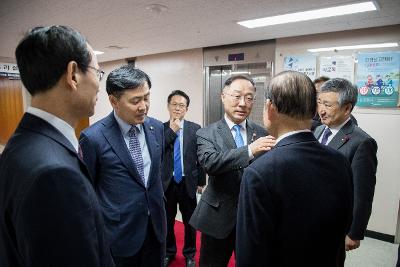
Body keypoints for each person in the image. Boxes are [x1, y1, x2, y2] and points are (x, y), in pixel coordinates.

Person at [0, 26, 114, 266]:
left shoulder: (21, 144)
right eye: (97, 72)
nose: (98, 85)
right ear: (73, 74)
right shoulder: (54, 174)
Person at [236, 70, 353, 267]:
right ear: (314, 110)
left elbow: (251, 253)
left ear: (270, 108)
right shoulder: (339, 160)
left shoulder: (259, 172)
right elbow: (344, 222)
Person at [79, 65, 166, 267]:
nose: (143, 106)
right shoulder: (93, 138)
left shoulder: (156, 128)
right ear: (113, 101)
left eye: (146, 97)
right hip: (119, 234)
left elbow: (154, 176)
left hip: (156, 229)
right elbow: (87, 191)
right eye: (135, 101)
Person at [189, 75, 275, 267]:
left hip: (254, 217)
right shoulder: (207, 133)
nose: (243, 103)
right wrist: (250, 150)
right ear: (223, 96)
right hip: (218, 216)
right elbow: (210, 163)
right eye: (237, 96)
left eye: (249, 98)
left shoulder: (262, 133)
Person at [314, 78, 377, 253]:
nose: (321, 111)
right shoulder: (318, 130)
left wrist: (355, 232)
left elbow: (363, 193)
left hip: (335, 222)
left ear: (347, 108)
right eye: (319, 103)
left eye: (328, 105)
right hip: (311, 216)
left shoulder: (362, 142)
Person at [163, 90, 206, 267]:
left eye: (182, 105)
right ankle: (168, 252)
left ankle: (189, 254)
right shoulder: (160, 129)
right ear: (168, 106)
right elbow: (158, 152)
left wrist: (201, 182)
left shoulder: (195, 129)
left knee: (190, 222)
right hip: (167, 183)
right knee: (167, 221)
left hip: (188, 182)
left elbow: (201, 157)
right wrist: (172, 131)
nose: (178, 108)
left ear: (186, 109)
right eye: (174, 104)